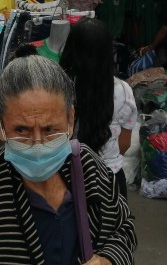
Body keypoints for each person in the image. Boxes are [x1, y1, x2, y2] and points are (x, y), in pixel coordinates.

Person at [0, 54, 137, 264]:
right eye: (22, 130)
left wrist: (107, 260)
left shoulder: (88, 167)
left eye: (50, 129)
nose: (37, 144)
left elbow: (122, 229)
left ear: (70, 120)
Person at [60, 17, 137, 199]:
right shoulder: (123, 91)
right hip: (110, 179)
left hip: (65, 178)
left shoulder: (59, 87)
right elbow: (124, 145)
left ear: (72, 48)